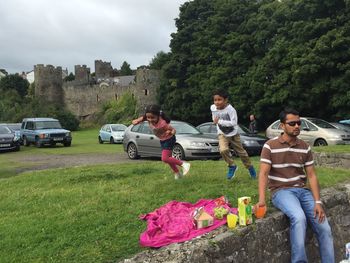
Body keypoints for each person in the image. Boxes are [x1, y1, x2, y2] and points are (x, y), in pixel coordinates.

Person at [256, 108, 334, 263]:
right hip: (281, 191)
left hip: (303, 191)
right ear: (282, 126)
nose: (297, 126)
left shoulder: (305, 146)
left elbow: (311, 175)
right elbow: (263, 174)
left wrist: (318, 202)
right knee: (299, 218)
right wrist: (262, 200)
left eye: (299, 123)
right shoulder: (270, 146)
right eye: (292, 123)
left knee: (324, 226)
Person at [132, 104, 190, 179]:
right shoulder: (147, 118)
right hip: (163, 140)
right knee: (168, 159)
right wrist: (136, 121)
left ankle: (184, 164)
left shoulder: (162, 123)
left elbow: (173, 130)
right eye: (148, 117)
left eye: (152, 117)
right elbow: (142, 118)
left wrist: (170, 132)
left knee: (165, 158)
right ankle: (177, 173)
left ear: (158, 116)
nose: (150, 119)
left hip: (169, 139)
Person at [210, 89, 256, 179]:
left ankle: (250, 167)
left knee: (241, 153)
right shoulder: (213, 107)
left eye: (220, 100)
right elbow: (214, 117)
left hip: (233, 133)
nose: (217, 102)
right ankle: (232, 166)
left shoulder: (231, 110)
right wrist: (215, 121)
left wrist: (219, 121)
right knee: (223, 150)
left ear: (226, 100)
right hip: (222, 133)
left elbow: (234, 123)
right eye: (215, 100)